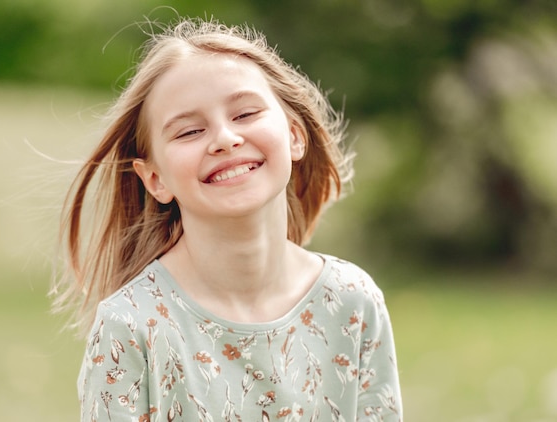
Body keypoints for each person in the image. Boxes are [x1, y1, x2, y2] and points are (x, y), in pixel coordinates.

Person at [53, 17, 402, 422]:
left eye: (245, 114)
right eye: (188, 132)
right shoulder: (131, 325)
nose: (224, 139)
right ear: (155, 178)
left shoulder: (353, 301)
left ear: (294, 135)